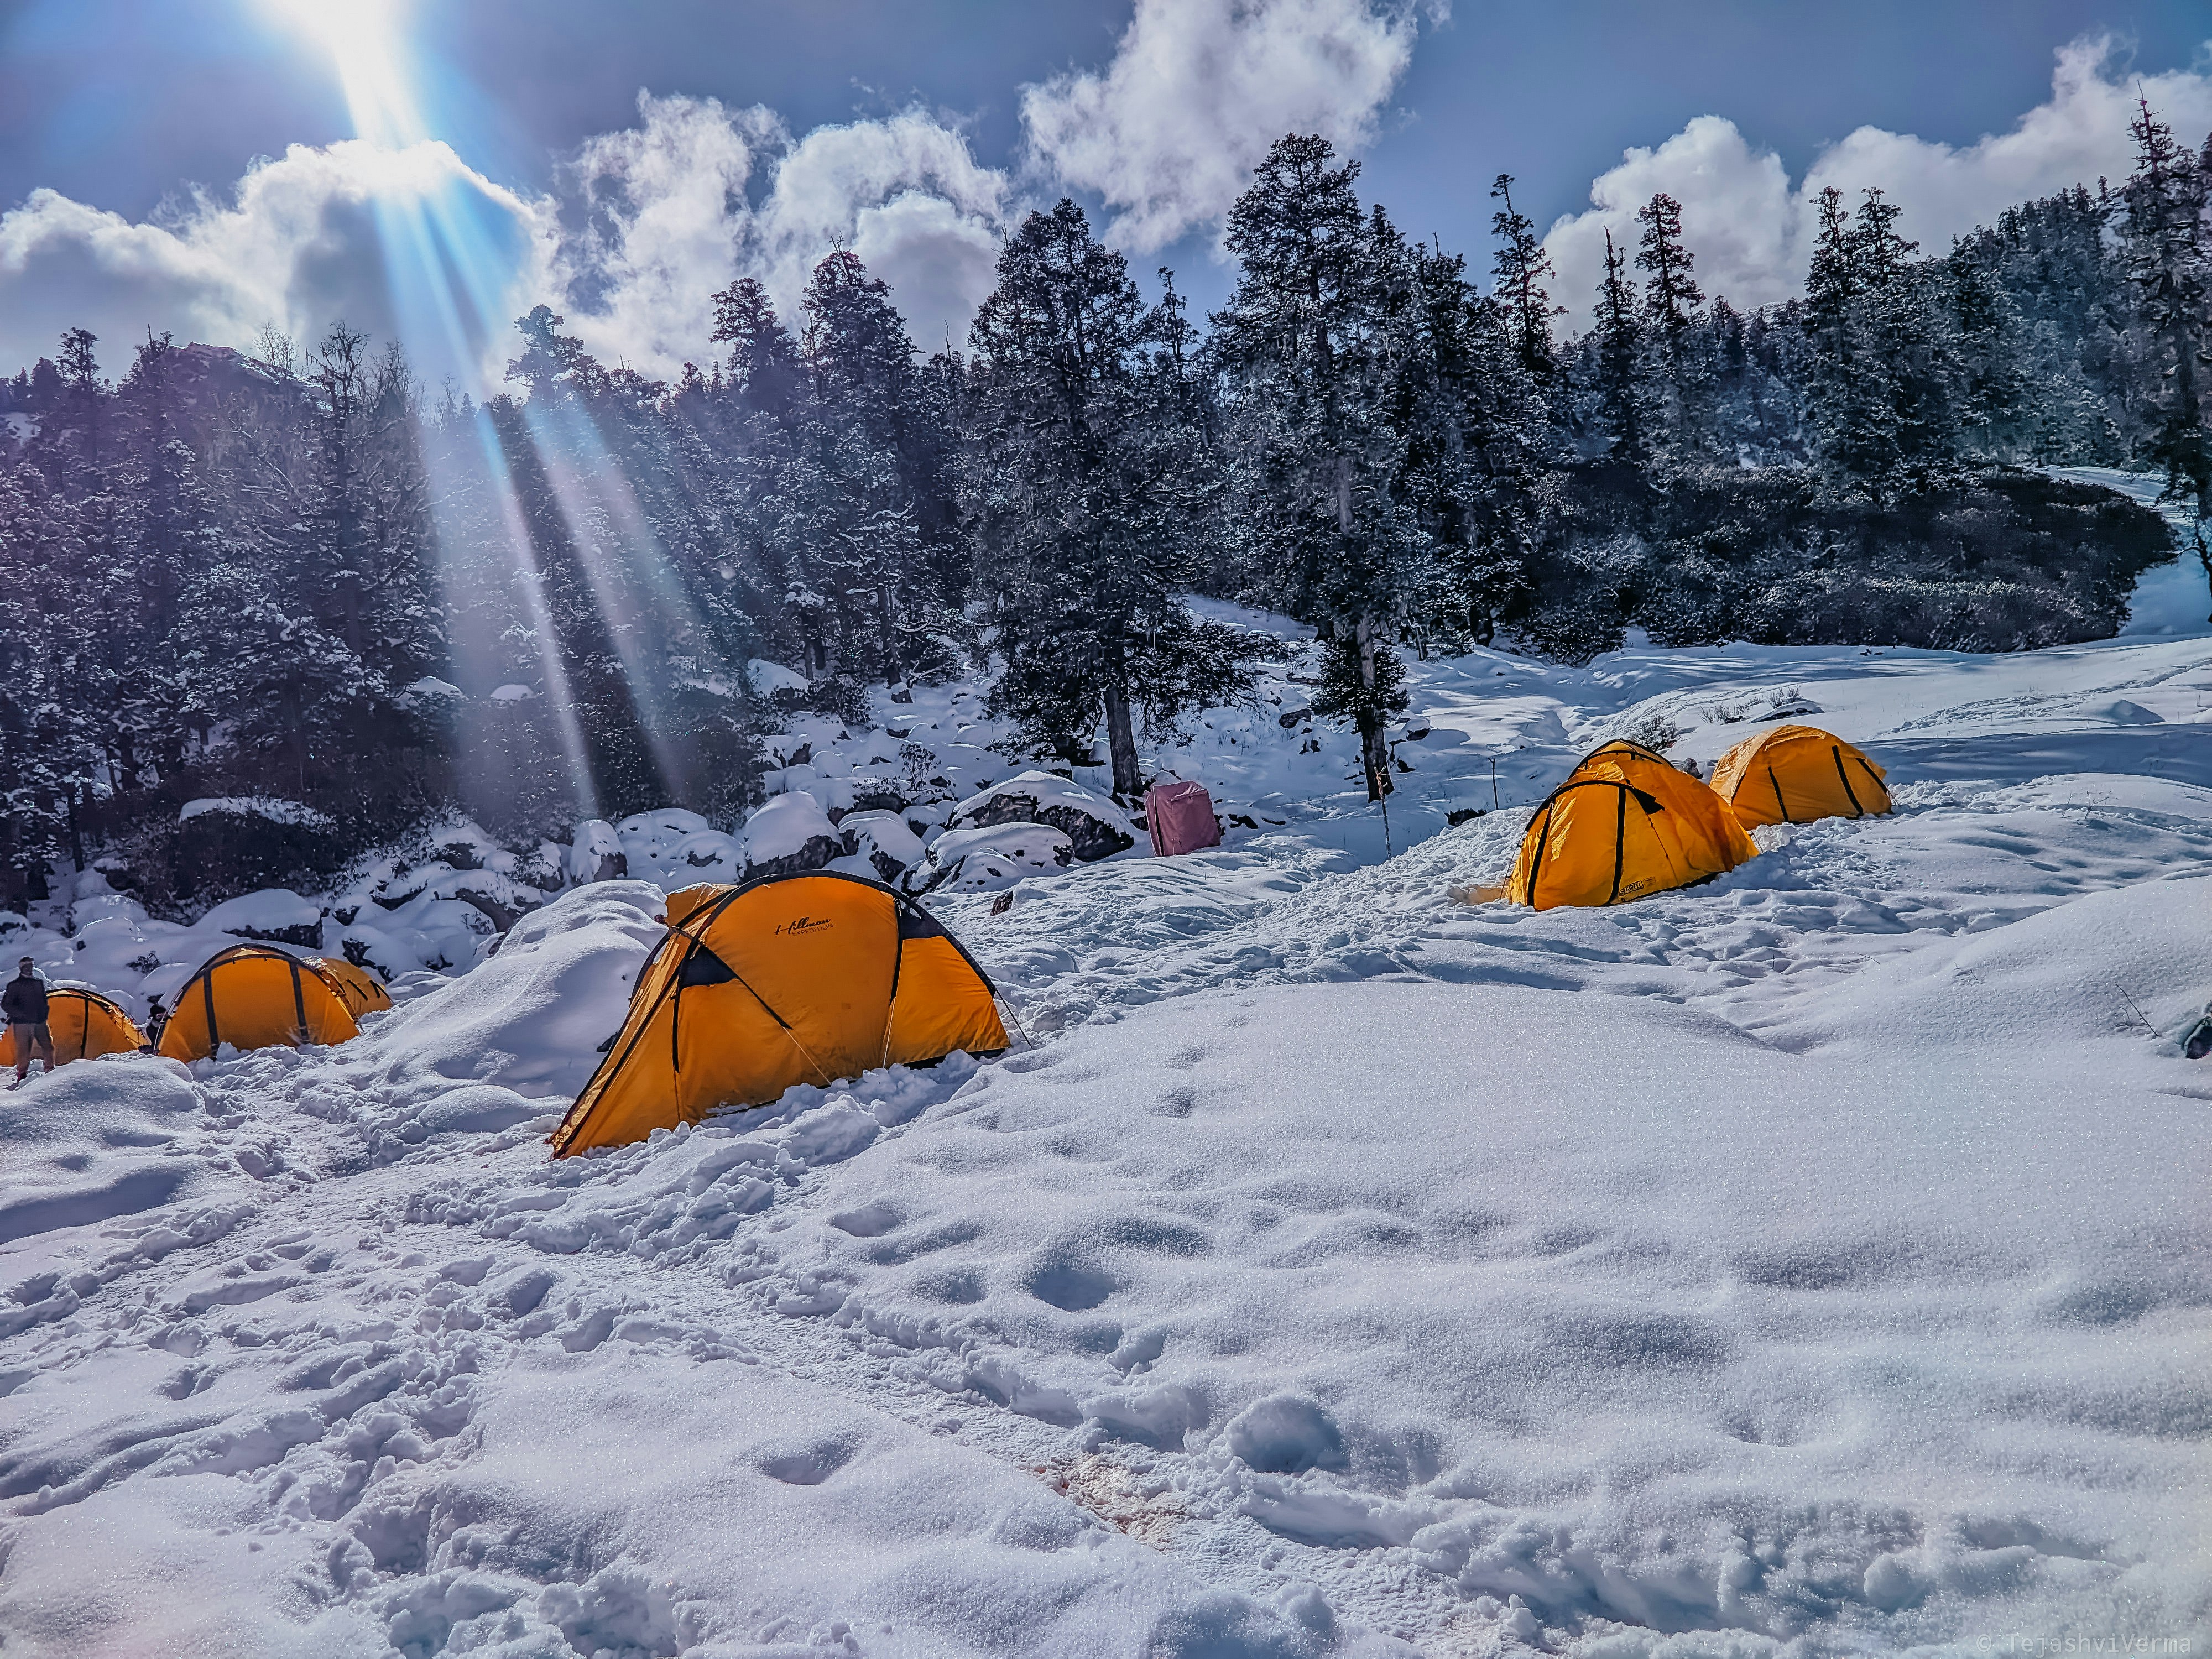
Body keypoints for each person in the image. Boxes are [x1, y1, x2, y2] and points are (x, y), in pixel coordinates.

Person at [4, 956, 55, 1082]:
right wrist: (20, 1014)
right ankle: (22, 1074)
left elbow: (43, 1001)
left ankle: (50, 1070)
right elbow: (6, 1004)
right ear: (21, 969)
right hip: (22, 1024)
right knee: (24, 1049)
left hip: (40, 1021)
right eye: (25, 967)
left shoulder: (38, 984)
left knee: (48, 1045)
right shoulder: (14, 986)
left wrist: (44, 1013)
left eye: (30, 967)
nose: (28, 969)